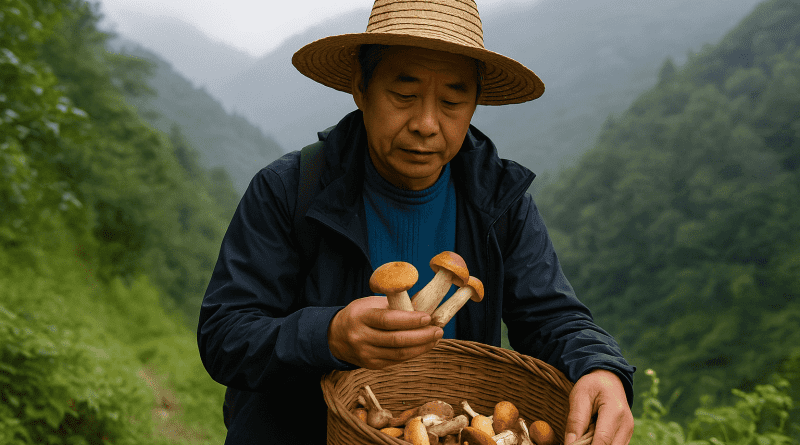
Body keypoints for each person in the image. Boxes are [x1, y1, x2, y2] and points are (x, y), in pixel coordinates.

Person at [197, 1, 636, 444]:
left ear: (475, 103)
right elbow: (224, 335)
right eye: (404, 95)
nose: (426, 123)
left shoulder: (501, 203)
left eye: (452, 100)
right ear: (360, 89)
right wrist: (328, 336)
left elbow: (553, 317)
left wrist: (601, 367)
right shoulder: (290, 190)